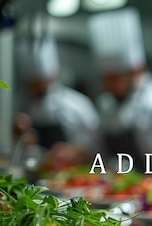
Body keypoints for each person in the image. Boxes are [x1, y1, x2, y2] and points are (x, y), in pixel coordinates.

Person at [88, 7, 152, 177]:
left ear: (136, 71)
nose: (109, 85)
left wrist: (148, 185)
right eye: (105, 78)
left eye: (115, 78)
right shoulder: (106, 104)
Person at [14, 36, 100, 171]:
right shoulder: (21, 105)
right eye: (33, 82)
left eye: (40, 81)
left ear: (53, 75)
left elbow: (95, 142)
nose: (36, 86)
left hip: (73, 174)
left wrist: (75, 150)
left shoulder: (77, 104)